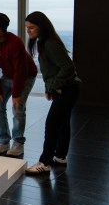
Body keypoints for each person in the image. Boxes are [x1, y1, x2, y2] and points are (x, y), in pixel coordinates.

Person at [24, 11, 82, 175]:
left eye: (32, 27)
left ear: (41, 27)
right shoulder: (45, 42)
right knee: (62, 123)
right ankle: (60, 157)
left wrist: (54, 86)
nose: (29, 31)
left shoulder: (49, 43)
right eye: (27, 28)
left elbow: (68, 67)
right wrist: (50, 89)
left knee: (52, 124)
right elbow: (51, 71)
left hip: (67, 89)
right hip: (65, 89)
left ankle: (45, 162)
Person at [0, 12, 38, 157]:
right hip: (7, 76)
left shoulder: (15, 43)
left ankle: (18, 143)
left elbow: (21, 70)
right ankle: (3, 140)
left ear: (3, 29)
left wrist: (16, 94)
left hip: (26, 76)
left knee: (18, 107)